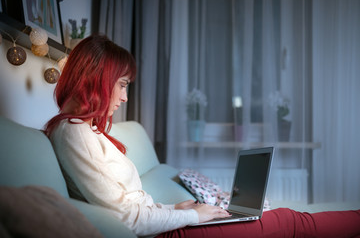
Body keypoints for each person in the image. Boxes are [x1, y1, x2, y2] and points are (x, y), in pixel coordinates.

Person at [45, 34, 360, 238]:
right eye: (123, 84)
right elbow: (126, 218)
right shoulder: (73, 133)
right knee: (291, 222)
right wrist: (193, 216)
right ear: (99, 79)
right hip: (162, 235)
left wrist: (178, 210)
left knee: (287, 220)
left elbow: (133, 206)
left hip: (166, 225)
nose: (125, 97)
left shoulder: (85, 130)